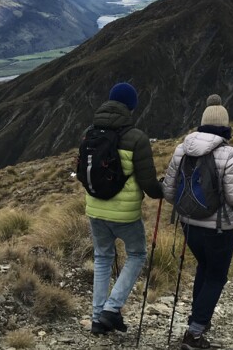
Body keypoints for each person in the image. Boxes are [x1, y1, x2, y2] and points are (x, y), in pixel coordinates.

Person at [162, 94, 233, 350]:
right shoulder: (228, 153)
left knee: (204, 268)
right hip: (219, 228)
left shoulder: (181, 149)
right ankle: (195, 333)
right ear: (225, 126)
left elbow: (168, 191)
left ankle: (198, 321)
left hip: (188, 224)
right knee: (217, 275)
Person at [83, 82, 164, 335]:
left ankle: (98, 318)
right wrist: (162, 191)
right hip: (126, 214)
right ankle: (111, 308)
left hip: (95, 208)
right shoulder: (136, 138)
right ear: (130, 107)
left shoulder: (90, 132)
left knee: (102, 258)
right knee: (137, 255)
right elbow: (149, 183)